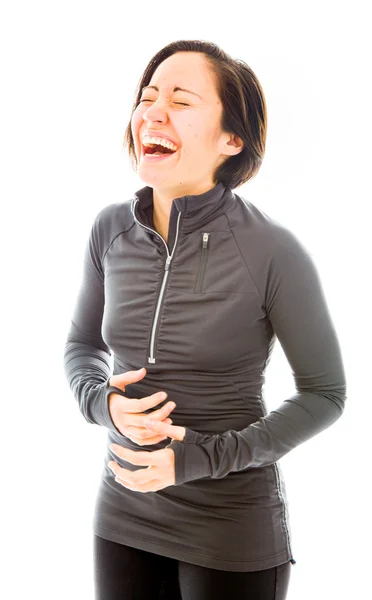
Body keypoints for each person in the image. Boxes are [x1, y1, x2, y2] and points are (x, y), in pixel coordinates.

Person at [63, 39, 347, 600]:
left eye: (181, 100)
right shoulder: (110, 230)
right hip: (122, 514)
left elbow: (325, 394)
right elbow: (81, 345)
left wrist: (198, 459)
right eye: (147, 96)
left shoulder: (271, 251)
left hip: (230, 531)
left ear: (231, 139)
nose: (153, 111)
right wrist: (104, 403)